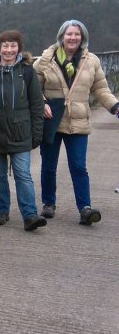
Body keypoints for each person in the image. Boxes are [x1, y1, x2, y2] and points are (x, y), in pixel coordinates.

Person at [34, 20, 119, 225]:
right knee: (48, 166)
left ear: (83, 37)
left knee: (78, 166)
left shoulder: (91, 61)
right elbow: (33, 88)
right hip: (51, 120)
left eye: (77, 34)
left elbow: (100, 89)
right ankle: (48, 203)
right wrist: (42, 102)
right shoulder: (46, 59)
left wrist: (115, 106)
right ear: (61, 36)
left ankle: (85, 208)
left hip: (78, 121)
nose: (73, 38)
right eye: (69, 34)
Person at [0, 30, 47, 231]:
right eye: (5, 45)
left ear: (19, 48)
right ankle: (2, 212)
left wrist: (37, 133)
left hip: (21, 132)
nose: (9, 49)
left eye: (13, 45)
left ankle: (30, 215)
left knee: (23, 175)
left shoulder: (27, 71)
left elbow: (37, 104)